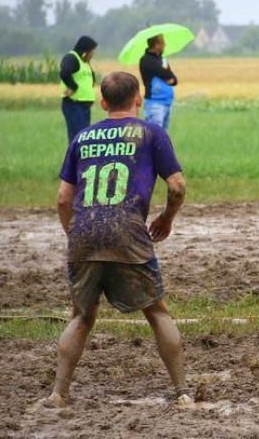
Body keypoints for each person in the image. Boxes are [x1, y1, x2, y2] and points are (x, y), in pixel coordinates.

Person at [43, 71, 191, 408]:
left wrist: (75, 233)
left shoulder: (81, 138)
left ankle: (58, 393)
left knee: (81, 315)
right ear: (138, 98)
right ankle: (182, 392)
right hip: (128, 232)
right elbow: (177, 186)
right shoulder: (151, 133)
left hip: (84, 232)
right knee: (157, 312)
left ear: (103, 102)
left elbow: (63, 199)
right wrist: (167, 217)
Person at [59, 36, 98, 143]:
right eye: (92, 51)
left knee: (85, 136)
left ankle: (82, 159)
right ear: (85, 50)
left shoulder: (84, 61)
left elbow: (88, 76)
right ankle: (76, 159)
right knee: (79, 138)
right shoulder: (72, 58)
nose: (93, 54)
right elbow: (64, 72)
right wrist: (73, 87)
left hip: (84, 106)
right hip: (74, 104)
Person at [139, 34, 177, 130]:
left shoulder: (162, 59)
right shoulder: (146, 60)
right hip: (154, 103)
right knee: (154, 136)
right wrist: (166, 74)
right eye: (163, 43)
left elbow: (174, 79)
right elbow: (165, 74)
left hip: (167, 102)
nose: (165, 45)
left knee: (163, 137)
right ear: (156, 45)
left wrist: (168, 75)